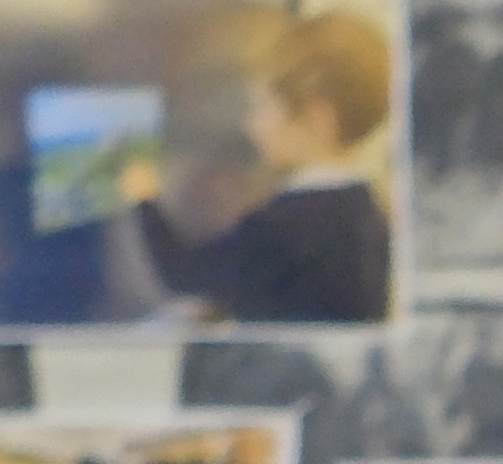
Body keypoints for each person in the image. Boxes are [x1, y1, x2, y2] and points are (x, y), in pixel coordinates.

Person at [117, 12, 398, 330]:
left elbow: (189, 275)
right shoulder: (365, 209)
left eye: (263, 106)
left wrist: (144, 196)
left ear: (318, 119)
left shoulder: (290, 222)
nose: (252, 125)